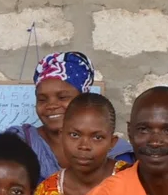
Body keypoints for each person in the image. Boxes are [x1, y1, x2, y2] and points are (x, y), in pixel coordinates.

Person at [8, 50, 129, 179]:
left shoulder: (119, 154)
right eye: (42, 99)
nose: (51, 106)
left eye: (62, 97)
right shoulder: (20, 143)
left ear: (83, 98)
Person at [32, 91, 123, 195]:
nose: (84, 146)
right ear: (61, 135)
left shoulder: (131, 180)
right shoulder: (46, 194)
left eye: (97, 137)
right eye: (74, 135)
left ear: (112, 142)